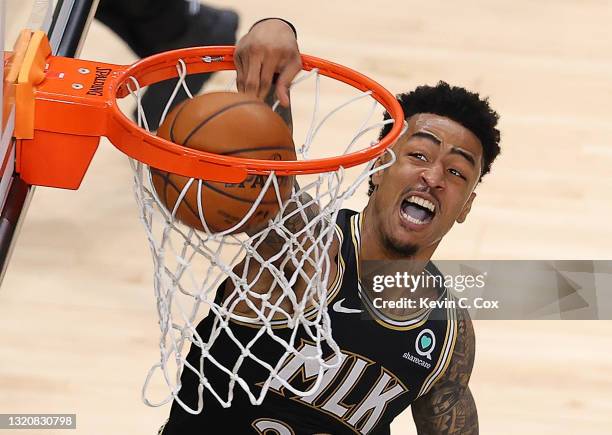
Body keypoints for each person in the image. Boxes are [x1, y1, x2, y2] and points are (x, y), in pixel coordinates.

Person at [159, 17, 501, 435]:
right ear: (379, 166)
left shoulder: (448, 333)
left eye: (457, 172)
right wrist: (275, 29)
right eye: (418, 156)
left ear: (465, 206)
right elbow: (271, 170)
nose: (433, 178)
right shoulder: (305, 245)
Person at [95, 0, 239, 130]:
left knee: (149, 117)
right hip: (158, 35)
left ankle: (206, 24)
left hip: (197, 37)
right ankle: (202, 20)